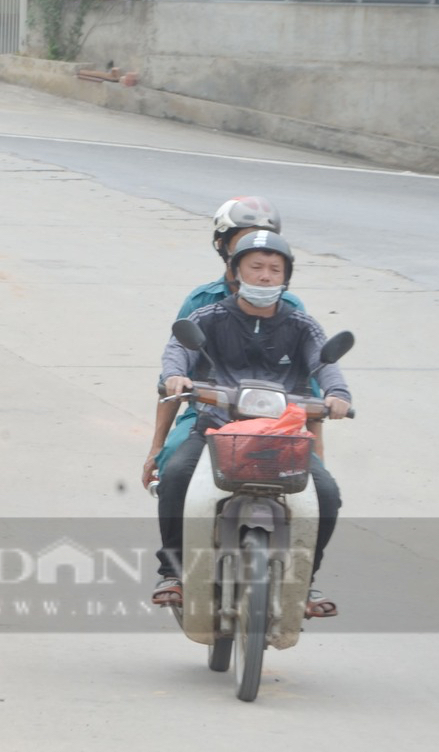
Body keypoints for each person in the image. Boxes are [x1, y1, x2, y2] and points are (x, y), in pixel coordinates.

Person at [150, 231, 350, 617]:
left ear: (285, 278)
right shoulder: (208, 317)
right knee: (175, 476)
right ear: (235, 270)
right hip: (216, 428)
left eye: (275, 269)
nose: (265, 276)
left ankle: (304, 583)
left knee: (327, 495)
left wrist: (337, 396)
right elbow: (178, 349)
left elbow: (325, 365)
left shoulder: (302, 326)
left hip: (283, 435)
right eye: (255, 267)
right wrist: (177, 376)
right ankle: (172, 573)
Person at [142, 197, 304, 489]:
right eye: (246, 241)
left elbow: (312, 379)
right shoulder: (201, 303)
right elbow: (171, 376)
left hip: (275, 417)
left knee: (321, 492)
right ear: (224, 246)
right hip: (206, 414)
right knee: (175, 470)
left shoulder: (292, 310)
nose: (255, 247)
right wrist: (157, 447)